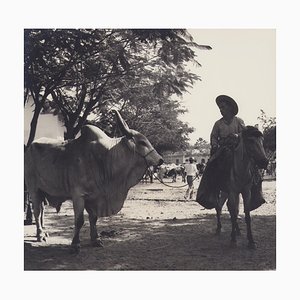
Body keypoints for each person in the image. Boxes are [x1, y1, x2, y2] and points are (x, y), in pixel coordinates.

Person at [196, 95, 265, 210]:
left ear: (230, 108)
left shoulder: (238, 121)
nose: (221, 110)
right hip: (224, 149)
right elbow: (213, 136)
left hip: (238, 148)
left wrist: (237, 136)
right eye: (220, 108)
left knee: (253, 166)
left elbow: (245, 133)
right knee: (212, 166)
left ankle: (256, 194)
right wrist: (214, 145)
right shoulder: (218, 123)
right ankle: (210, 191)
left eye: (223, 107)